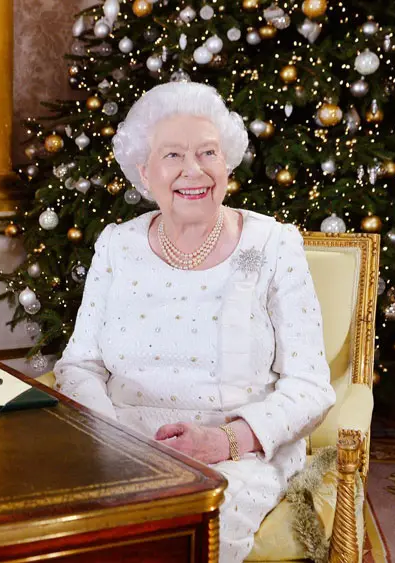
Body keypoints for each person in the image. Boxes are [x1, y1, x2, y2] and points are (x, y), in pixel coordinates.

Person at [53, 81, 336, 563]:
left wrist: (223, 440)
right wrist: (114, 438)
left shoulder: (271, 246)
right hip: (121, 439)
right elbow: (79, 365)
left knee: (189, 526)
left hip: (237, 451)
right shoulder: (117, 246)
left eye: (208, 152)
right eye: (173, 155)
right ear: (144, 171)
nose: (194, 170)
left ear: (227, 163)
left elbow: (310, 387)